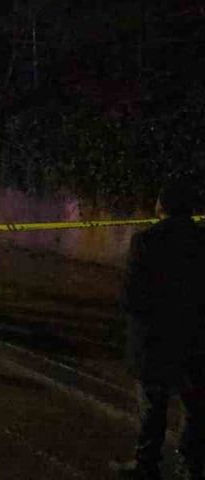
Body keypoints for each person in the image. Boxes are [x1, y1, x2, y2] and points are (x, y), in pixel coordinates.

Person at [114, 183, 205, 480]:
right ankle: (190, 464)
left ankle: (147, 464)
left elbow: (131, 297)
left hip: (155, 339)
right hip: (195, 336)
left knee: (153, 407)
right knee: (194, 404)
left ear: (161, 206)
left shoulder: (146, 241)